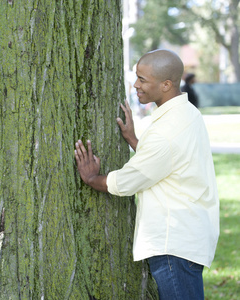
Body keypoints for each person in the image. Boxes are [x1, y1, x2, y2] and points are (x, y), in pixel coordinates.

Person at [74, 50, 219, 299]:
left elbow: (128, 181)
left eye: (142, 79)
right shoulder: (187, 114)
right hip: (186, 236)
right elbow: (167, 162)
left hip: (174, 243)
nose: (135, 85)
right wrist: (133, 139)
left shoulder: (166, 132)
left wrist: (91, 178)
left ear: (166, 85)